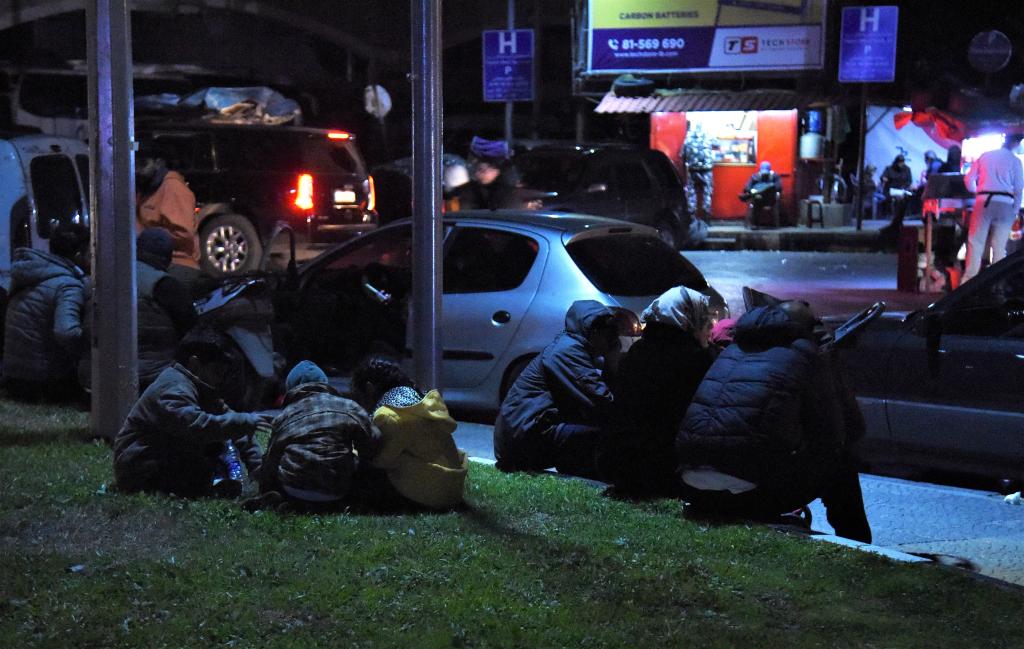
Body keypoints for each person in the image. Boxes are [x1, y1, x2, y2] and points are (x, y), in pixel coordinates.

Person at [675, 301, 872, 543]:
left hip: (692, 487)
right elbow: (836, 434)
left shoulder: (732, 351)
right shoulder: (806, 356)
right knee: (842, 464)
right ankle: (858, 543)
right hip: (750, 494)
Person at [113, 328, 268, 497]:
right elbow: (197, 426)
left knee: (215, 450)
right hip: (139, 465)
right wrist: (243, 422)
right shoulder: (174, 387)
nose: (220, 379)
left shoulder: (201, 388)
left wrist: (258, 468)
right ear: (195, 363)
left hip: (159, 455)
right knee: (200, 466)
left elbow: (234, 428)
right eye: (216, 371)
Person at [601, 286, 716, 496]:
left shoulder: (637, 351)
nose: (708, 327)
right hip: (661, 467)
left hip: (621, 463)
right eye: (704, 319)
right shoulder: (693, 359)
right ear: (689, 317)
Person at [494, 300, 620, 478]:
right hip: (523, 439)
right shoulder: (568, 352)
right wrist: (612, 363)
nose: (613, 340)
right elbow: (603, 402)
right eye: (609, 334)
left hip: (525, 434)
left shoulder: (573, 347)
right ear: (593, 331)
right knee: (608, 436)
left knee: (599, 429)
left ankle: (578, 468)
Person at [248, 360, 381, 512]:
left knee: (283, 466)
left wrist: (265, 486)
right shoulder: (349, 406)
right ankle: (340, 504)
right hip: (337, 488)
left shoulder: (286, 415)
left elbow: (271, 459)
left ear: (290, 387)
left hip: (295, 486)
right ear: (325, 383)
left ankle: (288, 501)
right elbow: (374, 440)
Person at [351, 356, 469, 511]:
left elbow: (379, 462)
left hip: (429, 495)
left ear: (369, 388)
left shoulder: (388, 415)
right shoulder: (418, 400)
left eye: (359, 397)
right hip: (450, 487)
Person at [2, 222, 89, 401]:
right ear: (79, 255)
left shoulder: (33, 272)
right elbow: (66, 333)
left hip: (14, 378)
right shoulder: (67, 284)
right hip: (44, 382)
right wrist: (92, 350)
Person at [962, 133, 1024, 283]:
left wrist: (976, 191)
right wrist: (1015, 210)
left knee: (976, 242)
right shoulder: (1015, 161)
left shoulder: (985, 156)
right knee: (999, 246)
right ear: (1016, 144)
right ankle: (997, 284)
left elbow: (968, 179)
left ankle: (968, 282)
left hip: (983, 201)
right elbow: (1018, 188)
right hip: (1005, 204)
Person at [136, 156, 201, 288]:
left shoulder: (172, 188)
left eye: (142, 161)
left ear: (158, 162)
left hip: (176, 263)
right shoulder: (144, 187)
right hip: (150, 263)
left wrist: (148, 238)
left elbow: (183, 234)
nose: (137, 168)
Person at [458, 137, 522, 210]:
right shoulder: (466, 192)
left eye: (489, 165)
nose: (481, 170)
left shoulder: (508, 195)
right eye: (477, 162)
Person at [682, 122, 714, 222]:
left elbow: (682, 155)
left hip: (693, 170)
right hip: (706, 170)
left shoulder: (688, 138)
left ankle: (692, 217)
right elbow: (719, 143)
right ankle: (706, 216)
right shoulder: (708, 137)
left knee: (691, 193)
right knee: (707, 193)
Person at [878, 154, 913, 237]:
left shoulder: (907, 169)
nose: (901, 164)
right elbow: (883, 176)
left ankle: (899, 220)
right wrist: (883, 179)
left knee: (904, 199)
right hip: (891, 190)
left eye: (902, 162)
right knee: (897, 199)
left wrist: (904, 188)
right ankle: (896, 220)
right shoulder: (889, 169)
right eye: (899, 162)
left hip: (902, 190)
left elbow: (909, 181)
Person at [741, 161, 783, 229]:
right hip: (758, 199)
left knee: (766, 191)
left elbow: (779, 187)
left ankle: (748, 196)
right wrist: (752, 190)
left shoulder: (775, 176)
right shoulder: (755, 176)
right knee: (756, 199)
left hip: (770, 199)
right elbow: (747, 187)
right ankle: (755, 224)